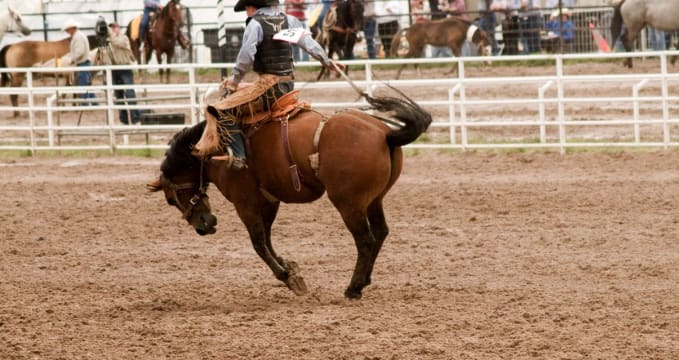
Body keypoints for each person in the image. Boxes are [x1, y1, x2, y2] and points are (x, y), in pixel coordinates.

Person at [214, 0, 341, 167]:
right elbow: (309, 44)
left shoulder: (255, 24)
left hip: (269, 89)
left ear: (251, 7)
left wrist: (234, 81)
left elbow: (246, 56)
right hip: (288, 86)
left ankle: (238, 155)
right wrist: (328, 62)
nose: (247, 13)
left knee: (222, 110)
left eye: (246, 9)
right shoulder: (290, 20)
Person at [106, 22, 141, 124]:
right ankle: (124, 120)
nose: (113, 30)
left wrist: (110, 35)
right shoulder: (109, 41)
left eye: (115, 28)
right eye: (111, 28)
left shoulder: (124, 38)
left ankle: (135, 118)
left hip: (125, 67)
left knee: (129, 93)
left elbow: (118, 43)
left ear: (119, 28)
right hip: (114, 68)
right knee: (118, 95)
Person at [63, 19, 96, 104]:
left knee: (83, 85)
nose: (66, 31)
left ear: (72, 28)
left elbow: (79, 52)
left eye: (67, 29)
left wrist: (71, 59)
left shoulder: (78, 37)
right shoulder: (78, 36)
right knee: (87, 84)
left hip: (83, 64)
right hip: (84, 63)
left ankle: (85, 104)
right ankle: (94, 103)